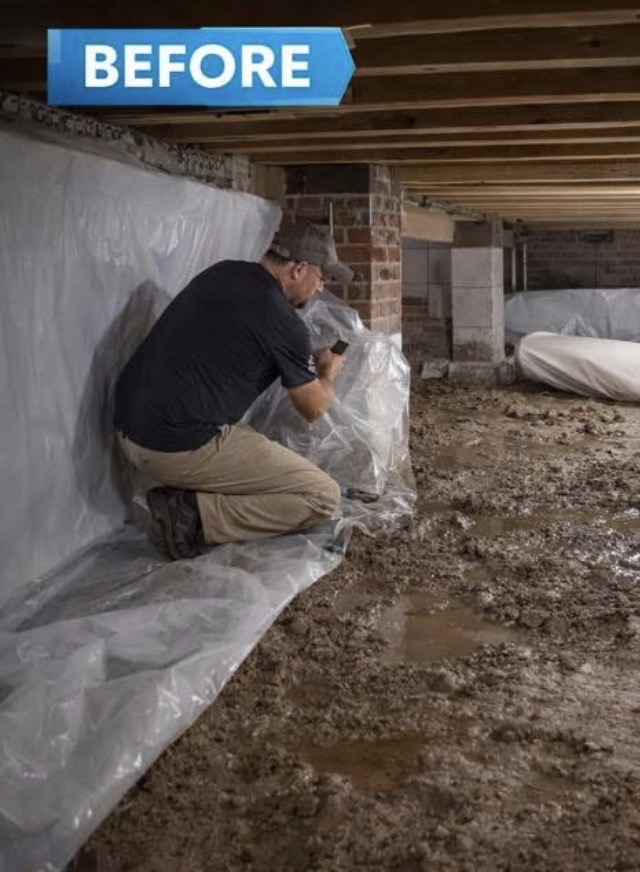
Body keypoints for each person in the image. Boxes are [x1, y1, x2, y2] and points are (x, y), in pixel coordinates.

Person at [114, 221, 354, 560]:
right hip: (171, 446)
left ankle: (194, 493)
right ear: (299, 269)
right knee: (322, 496)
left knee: (255, 439)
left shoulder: (224, 273)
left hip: (130, 425)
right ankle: (190, 515)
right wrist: (328, 372)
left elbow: (237, 339)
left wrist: (298, 357)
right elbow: (312, 408)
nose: (320, 289)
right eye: (322, 278)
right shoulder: (283, 320)